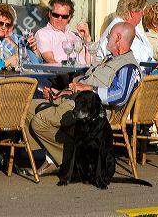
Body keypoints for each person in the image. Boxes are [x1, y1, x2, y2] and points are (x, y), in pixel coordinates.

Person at [24, 22, 141, 175]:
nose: (107, 38)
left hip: (91, 110)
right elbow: (83, 83)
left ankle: (71, 158)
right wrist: (59, 93)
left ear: (118, 38)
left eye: (109, 35)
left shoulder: (128, 65)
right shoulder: (109, 59)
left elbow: (120, 96)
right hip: (75, 100)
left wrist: (90, 89)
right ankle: (51, 157)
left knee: (40, 120)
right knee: (26, 108)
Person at [98, 0, 153, 67]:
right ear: (132, 12)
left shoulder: (136, 29)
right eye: (141, 9)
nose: (143, 13)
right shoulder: (116, 30)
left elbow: (148, 55)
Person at [35, 0, 91, 64]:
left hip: (85, 73)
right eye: (56, 15)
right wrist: (65, 74)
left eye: (64, 16)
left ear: (69, 17)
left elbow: (89, 63)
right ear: (49, 14)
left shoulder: (75, 35)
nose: (60, 19)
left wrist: (87, 38)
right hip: (64, 73)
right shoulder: (43, 34)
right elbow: (50, 61)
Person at [0, 3, 41, 68]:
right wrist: (10, 61)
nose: (4, 27)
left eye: (8, 24)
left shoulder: (20, 39)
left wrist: (34, 49)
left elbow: (38, 64)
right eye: (0, 23)